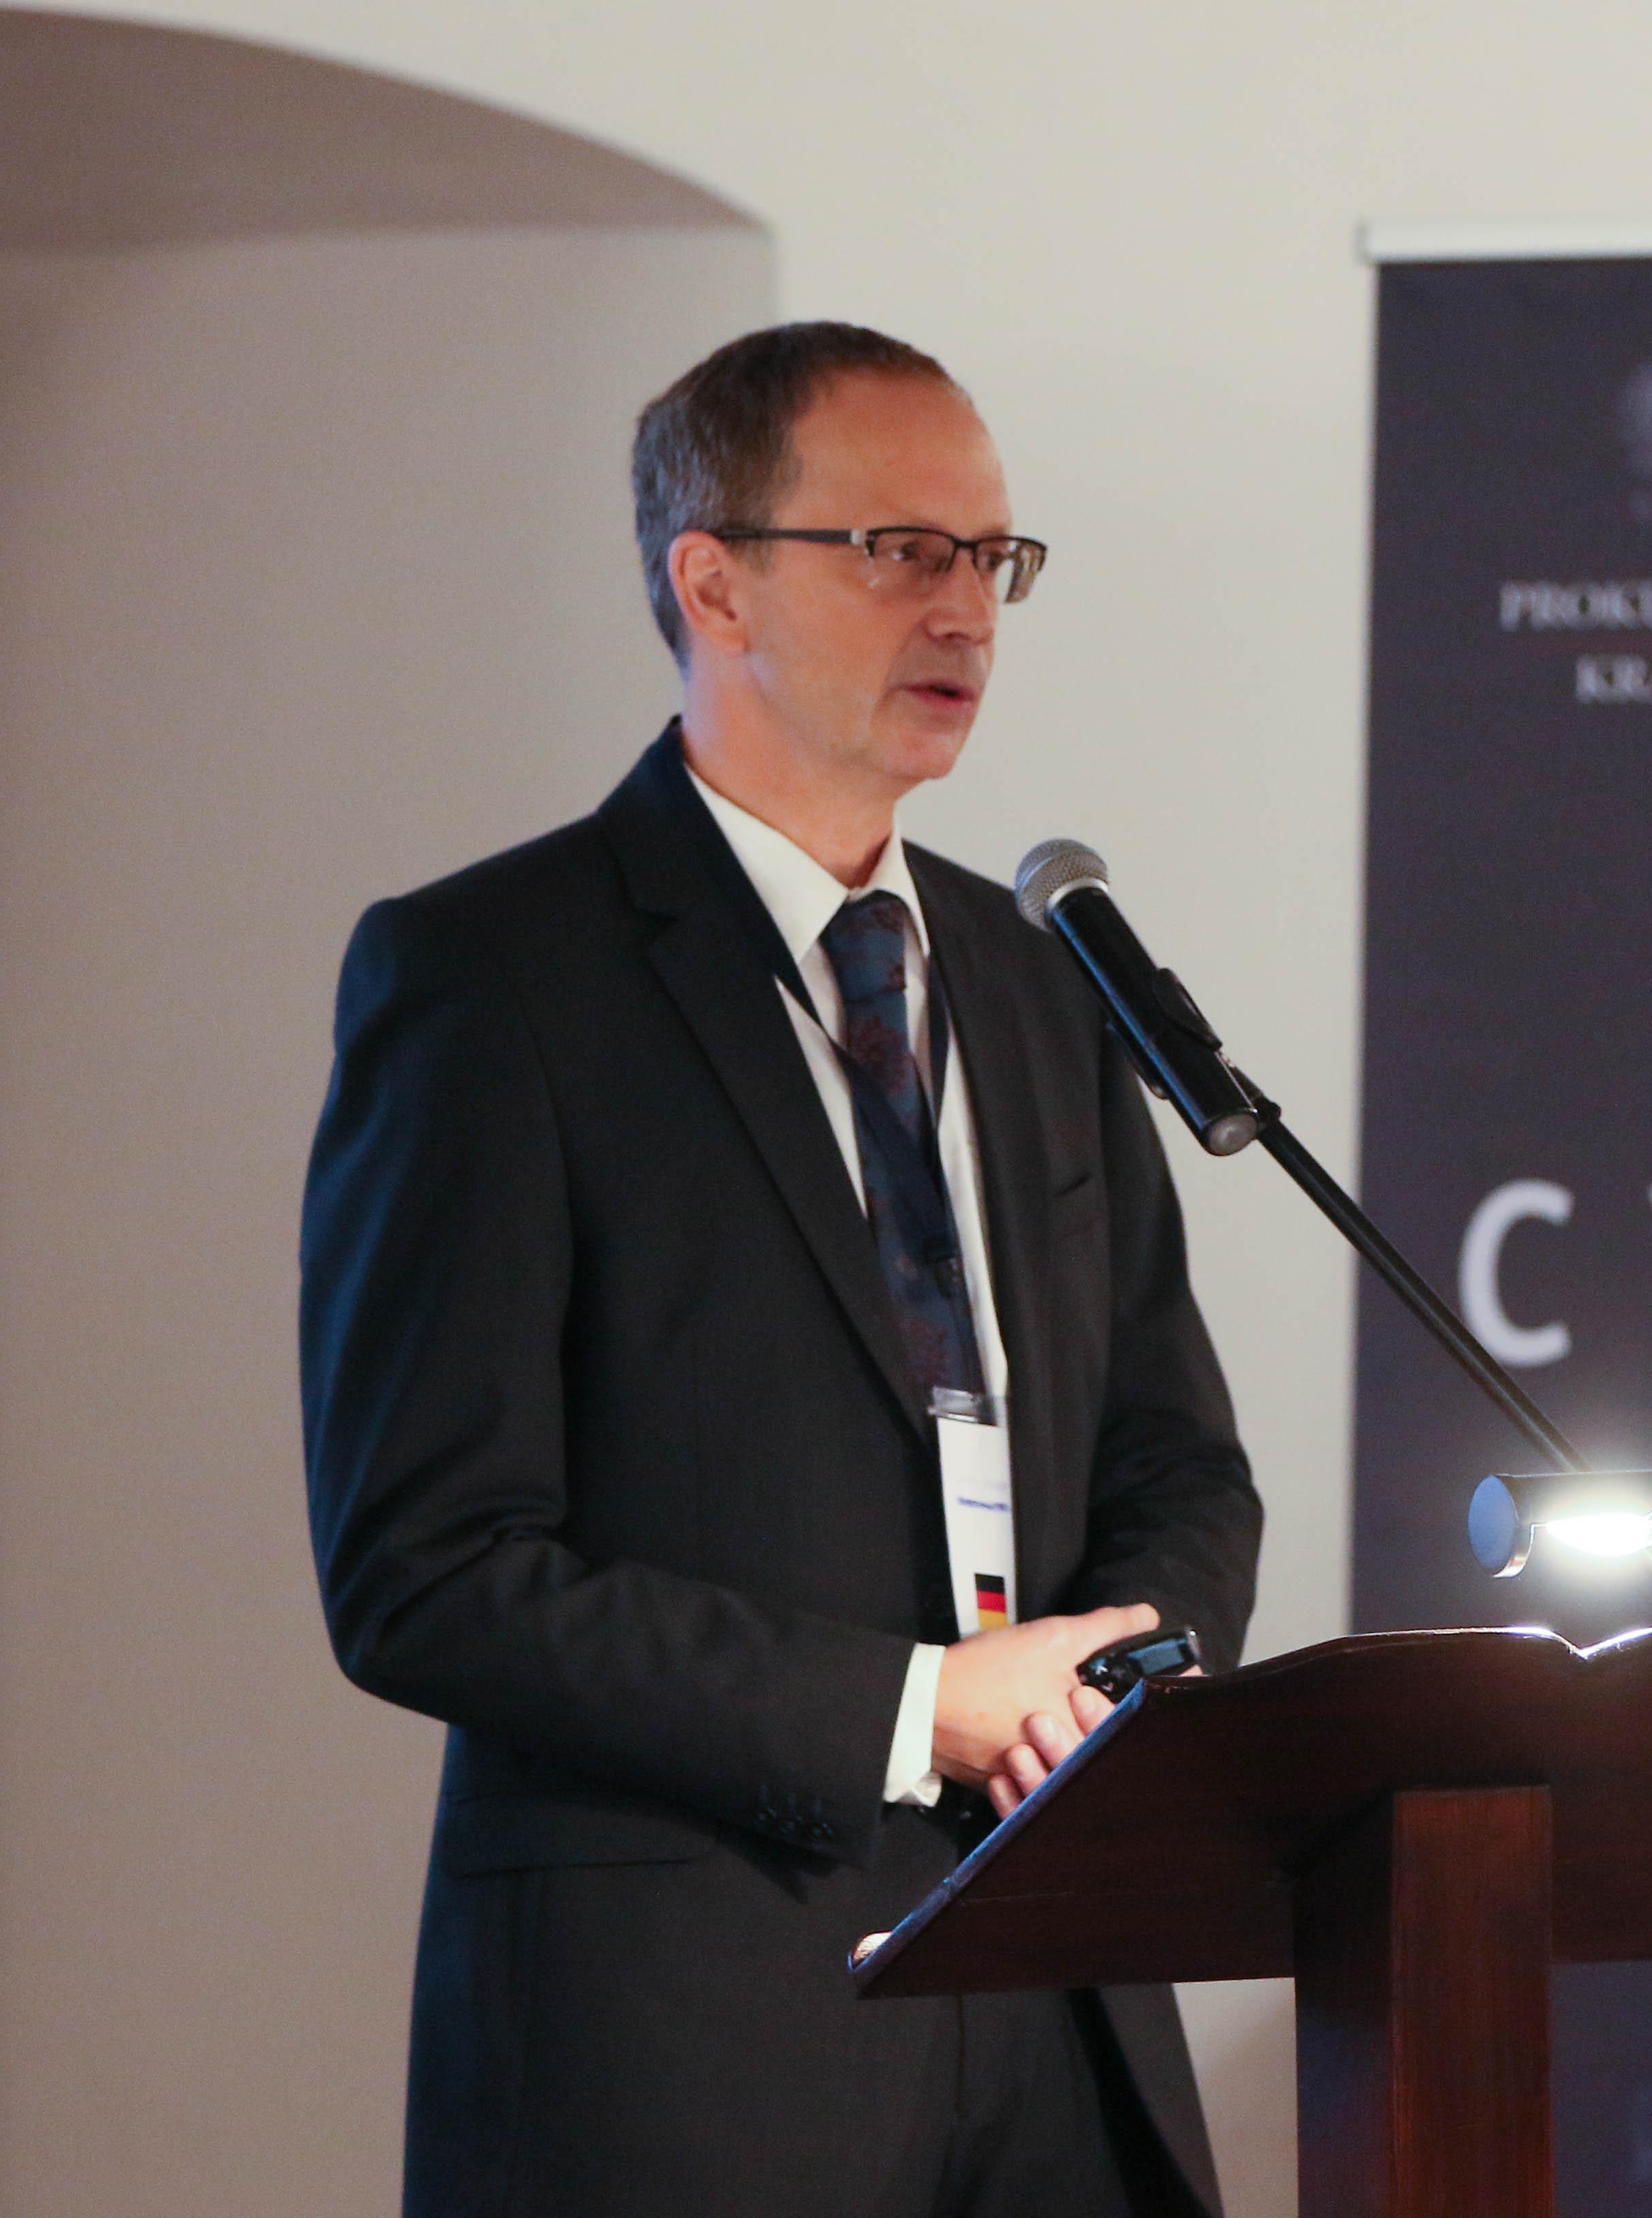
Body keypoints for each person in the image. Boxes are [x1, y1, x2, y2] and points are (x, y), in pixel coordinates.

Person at [300, 321, 1261, 2217]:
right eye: (899, 549)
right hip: (689, 2037)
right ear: (713, 579)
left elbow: (1178, 1457)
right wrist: (911, 1708)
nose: (963, 609)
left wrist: (1104, 1681)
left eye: (991, 557)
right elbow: (426, 1568)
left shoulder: (1042, 982)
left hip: (1060, 1988)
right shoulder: (495, 980)